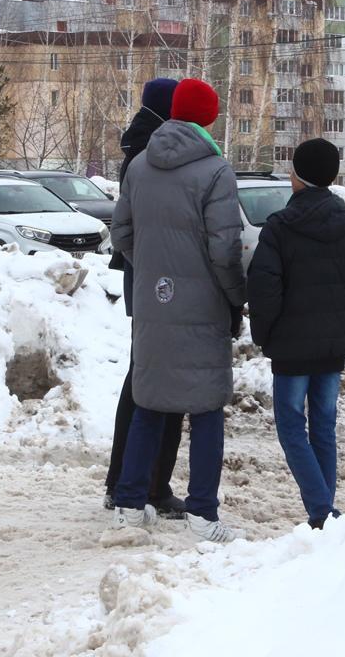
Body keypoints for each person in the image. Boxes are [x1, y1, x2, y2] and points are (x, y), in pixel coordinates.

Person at [109, 78, 247, 543]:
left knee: (149, 402)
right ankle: (203, 513)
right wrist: (233, 296)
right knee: (206, 408)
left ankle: (129, 503)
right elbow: (225, 250)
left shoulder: (141, 164)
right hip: (202, 304)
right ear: (209, 116)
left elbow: (122, 234)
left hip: (152, 301)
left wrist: (153, 271)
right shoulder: (215, 171)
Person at [245, 138, 345, 529]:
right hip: (331, 347)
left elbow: (264, 289)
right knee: (323, 427)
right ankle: (325, 515)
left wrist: (265, 334)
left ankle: (322, 512)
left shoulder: (280, 227)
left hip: (291, 351)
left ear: (298, 177)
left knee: (292, 428)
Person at [103, 78, 186, 518]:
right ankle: (143, 483)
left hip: (145, 277)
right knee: (153, 381)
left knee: (144, 378)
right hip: (157, 280)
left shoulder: (142, 142)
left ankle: (131, 479)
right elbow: (134, 226)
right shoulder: (152, 151)